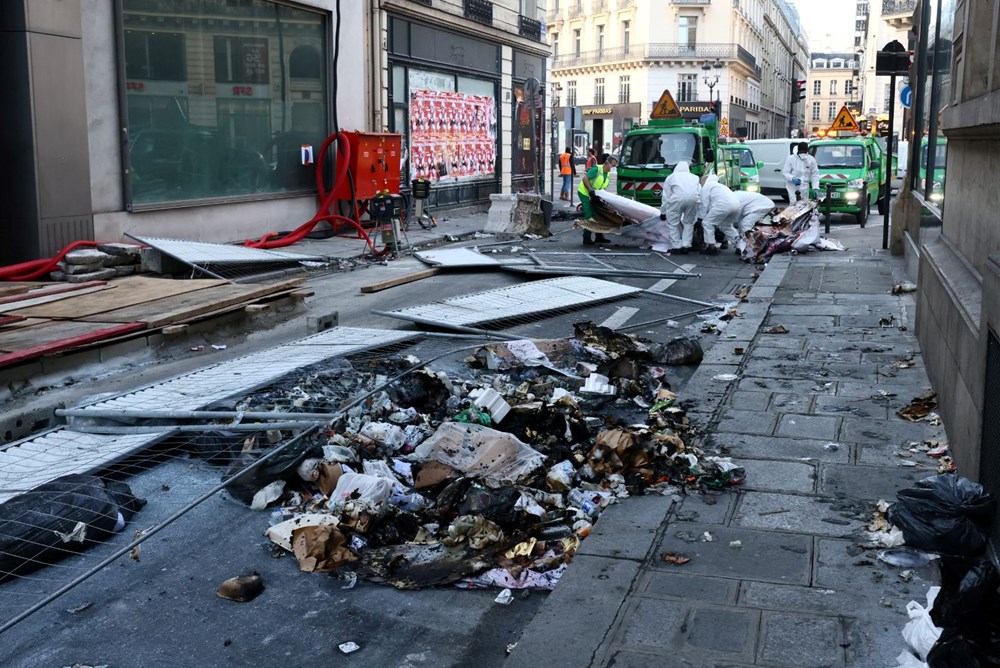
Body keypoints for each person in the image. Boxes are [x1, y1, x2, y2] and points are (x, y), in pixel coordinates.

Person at [658, 161, 701, 254]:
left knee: (672, 223)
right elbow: (699, 192)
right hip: (693, 200)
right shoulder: (695, 177)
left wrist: (663, 211)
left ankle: (676, 246)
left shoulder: (671, 177)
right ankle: (686, 245)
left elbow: (666, 196)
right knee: (689, 223)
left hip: (676, 199)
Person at [579, 152, 618, 245]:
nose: (612, 169)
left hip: (595, 195)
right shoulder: (597, 169)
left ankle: (599, 236)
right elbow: (585, 178)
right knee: (589, 215)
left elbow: (603, 186)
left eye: (614, 167)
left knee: (599, 214)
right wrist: (590, 190)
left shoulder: (608, 174)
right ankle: (586, 238)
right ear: (607, 163)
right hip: (585, 193)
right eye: (612, 166)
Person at [698, 173, 741, 255]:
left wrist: (701, 218)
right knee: (726, 226)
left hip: (722, 206)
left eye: (701, 183)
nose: (701, 184)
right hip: (736, 205)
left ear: (705, 181)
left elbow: (704, 204)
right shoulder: (721, 186)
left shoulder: (707, 186)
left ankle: (710, 246)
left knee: (707, 223)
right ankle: (741, 245)